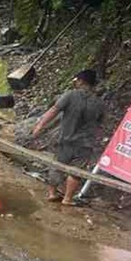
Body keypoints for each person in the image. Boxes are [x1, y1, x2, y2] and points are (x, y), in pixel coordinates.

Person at [32, 68, 105, 206]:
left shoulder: (70, 95)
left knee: (58, 165)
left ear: (82, 81)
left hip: (66, 139)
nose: (75, 82)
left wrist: (40, 125)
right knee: (76, 171)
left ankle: (52, 193)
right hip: (85, 143)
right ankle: (67, 199)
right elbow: (100, 125)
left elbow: (54, 110)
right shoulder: (99, 103)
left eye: (77, 80)